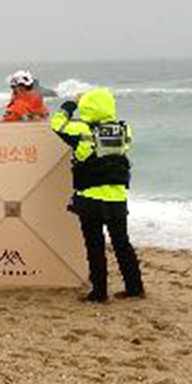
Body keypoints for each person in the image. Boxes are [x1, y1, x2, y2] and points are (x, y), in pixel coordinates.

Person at [50, 87, 144, 303]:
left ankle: (99, 292)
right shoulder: (124, 129)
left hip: (90, 197)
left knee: (95, 245)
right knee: (122, 244)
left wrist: (72, 104)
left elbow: (57, 123)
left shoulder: (82, 130)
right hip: (117, 197)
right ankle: (135, 288)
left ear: (88, 107)